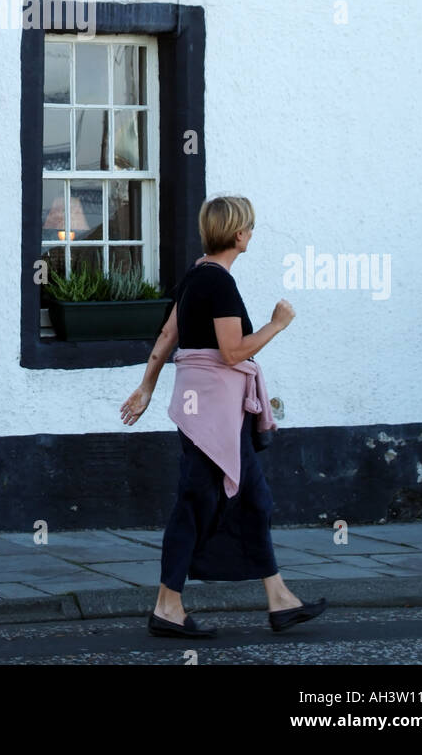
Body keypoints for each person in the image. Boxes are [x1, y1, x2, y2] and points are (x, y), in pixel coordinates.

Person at [120, 195, 327, 637]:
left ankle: (279, 599)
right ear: (238, 234)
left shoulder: (196, 277)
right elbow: (233, 353)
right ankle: (167, 606)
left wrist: (148, 386)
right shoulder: (220, 284)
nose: (252, 233)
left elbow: (167, 334)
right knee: (193, 503)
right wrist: (276, 324)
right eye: (249, 227)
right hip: (211, 418)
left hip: (212, 412)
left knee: (254, 500)